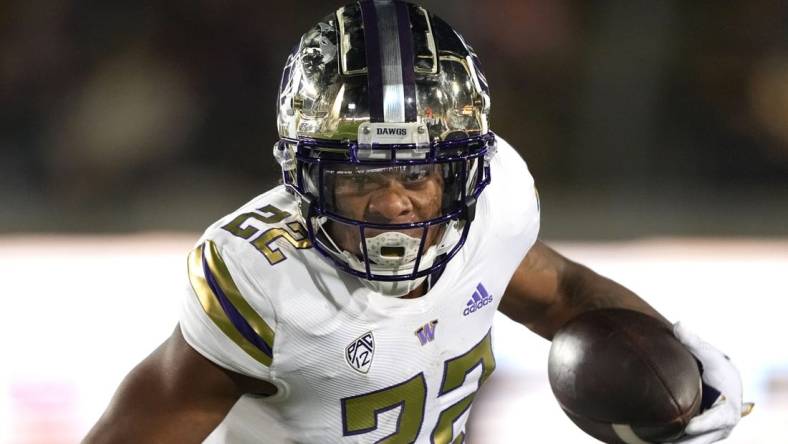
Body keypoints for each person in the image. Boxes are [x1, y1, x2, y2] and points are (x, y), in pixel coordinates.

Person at [84, 1, 748, 443]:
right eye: (363, 175)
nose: (394, 204)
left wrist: (669, 346)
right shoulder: (266, 281)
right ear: (309, 175)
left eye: (416, 174)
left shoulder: (494, 206)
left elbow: (562, 292)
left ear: (460, 172)